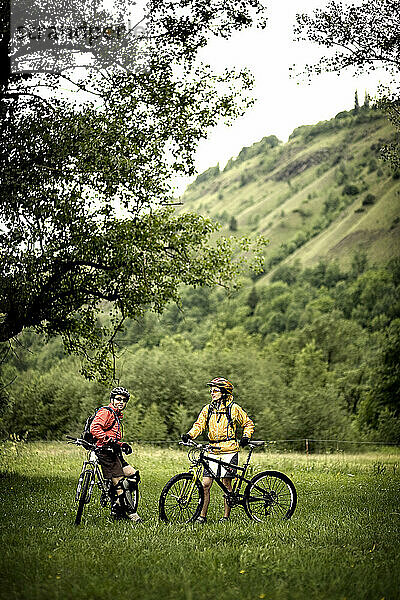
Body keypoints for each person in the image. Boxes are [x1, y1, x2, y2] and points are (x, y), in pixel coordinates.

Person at [181, 377, 254, 523]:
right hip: (212, 450)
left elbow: (248, 423)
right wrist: (190, 435)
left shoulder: (234, 409)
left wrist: (246, 436)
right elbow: (199, 425)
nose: (212, 393)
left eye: (215, 390)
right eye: (211, 390)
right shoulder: (207, 409)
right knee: (205, 484)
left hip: (229, 450)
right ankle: (202, 516)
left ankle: (226, 517)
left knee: (226, 484)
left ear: (224, 393)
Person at [90, 386, 142, 523]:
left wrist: (121, 445)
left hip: (115, 452)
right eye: (118, 399)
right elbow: (95, 428)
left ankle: (117, 504)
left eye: (124, 400)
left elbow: (112, 437)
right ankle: (131, 514)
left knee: (133, 476)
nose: (121, 402)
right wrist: (109, 441)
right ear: (112, 399)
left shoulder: (116, 415)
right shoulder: (106, 412)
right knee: (120, 484)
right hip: (105, 453)